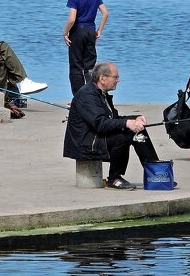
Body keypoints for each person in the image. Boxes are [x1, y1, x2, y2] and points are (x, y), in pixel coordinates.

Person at [63, 61, 159, 190]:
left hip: (96, 137)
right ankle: (114, 178)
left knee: (138, 130)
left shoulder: (101, 93)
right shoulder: (87, 95)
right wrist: (127, 123)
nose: (118, 80)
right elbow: (100, 124)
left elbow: (114, 119)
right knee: (125, 135)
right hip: (85, 144)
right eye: (116, 77)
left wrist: (134, 119)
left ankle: (156, 174)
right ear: (103, 78)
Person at [62, 0, 108, 94]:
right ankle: (92, 94)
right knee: (89, 66)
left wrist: (65, 33)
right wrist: (99, 30)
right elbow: (105, 13)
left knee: (76, 66)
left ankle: (79, 96)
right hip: (90, 31)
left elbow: (72, 19)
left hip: (77, 31)